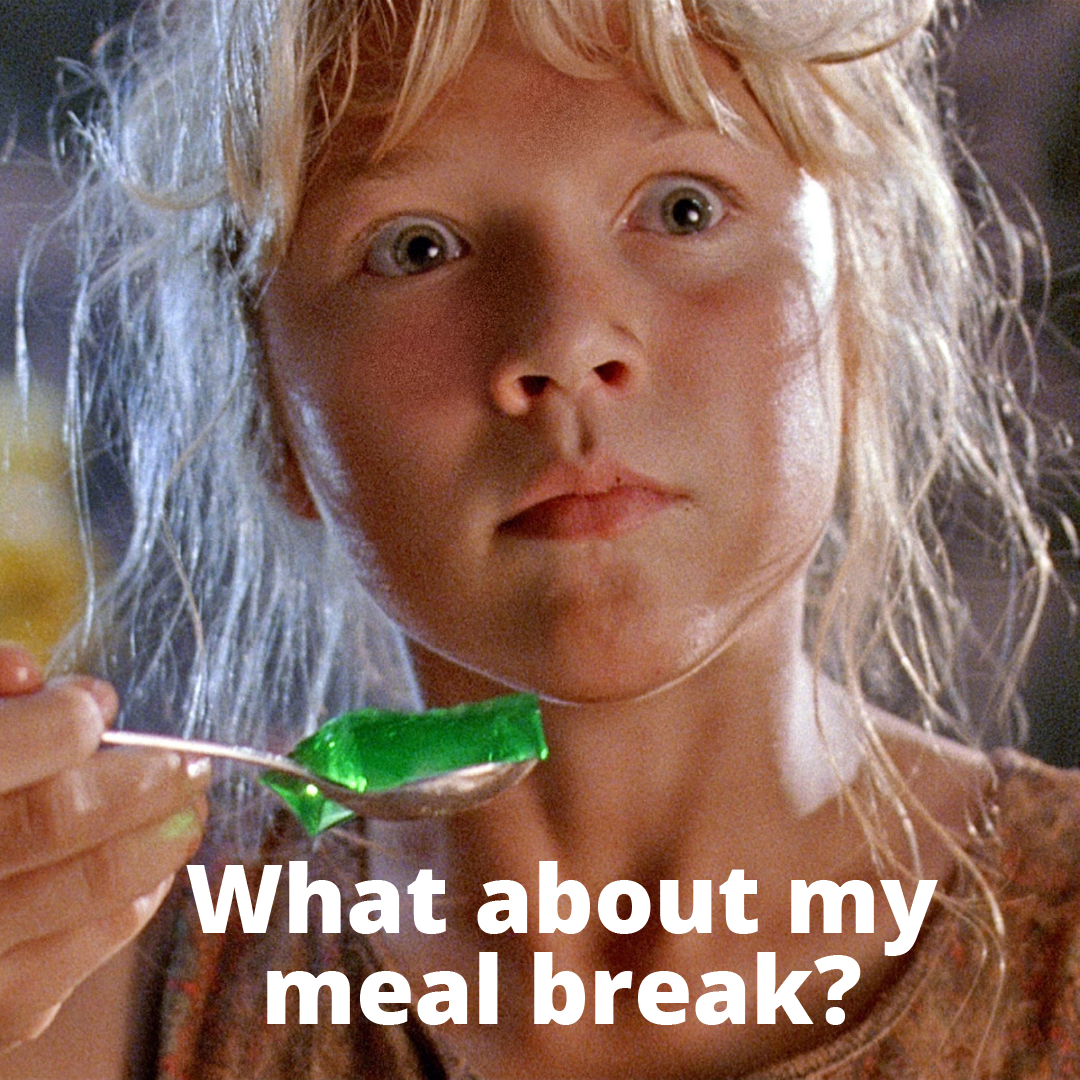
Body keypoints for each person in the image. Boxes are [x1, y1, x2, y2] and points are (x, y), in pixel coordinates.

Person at [1, 0, 1078, 1076]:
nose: (564, 338)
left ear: (854, 304)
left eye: (686, 208)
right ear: (272, 407)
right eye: (416, 247)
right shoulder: (80, 998)